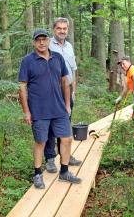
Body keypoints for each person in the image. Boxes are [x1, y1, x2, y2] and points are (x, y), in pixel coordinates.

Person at [18, 28, 81, 189]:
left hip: (59, 108)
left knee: (66, 139)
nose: (41, 42)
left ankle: (64, 172)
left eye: (44, 39)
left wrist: (67, 105)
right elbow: (22, 88)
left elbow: (65, 82)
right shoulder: (27, 61)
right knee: (41, 141)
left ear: (48, 40)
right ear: (34, 42)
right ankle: (38, 174)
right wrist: (26, 111)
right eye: (38, 39)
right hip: (39, 110)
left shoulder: (58, 58)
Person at [44, 17, 81, 174]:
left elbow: (73, 70)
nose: (62, 31)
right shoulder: (47, 45)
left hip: (68, 90)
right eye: (59, 28)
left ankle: (66, 156)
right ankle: (50, 159)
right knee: (51, 125)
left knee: (65, 124)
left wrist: (73, 91)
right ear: (54, 29)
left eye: (64, 28)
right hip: (53, 91)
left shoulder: (69, 47)